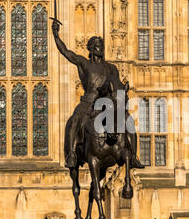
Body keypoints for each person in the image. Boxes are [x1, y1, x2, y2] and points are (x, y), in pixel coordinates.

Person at [52, 19, 143, 169]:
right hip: (88, 102)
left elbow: (117, 85)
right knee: (75, 120)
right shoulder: (85, 64)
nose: (100, 48)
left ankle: (132, 156)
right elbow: (67, 53)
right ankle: (72, 155)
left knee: (129, 122)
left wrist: (122, 95)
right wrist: (56, 35)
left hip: (107, 103)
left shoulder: (111, 68)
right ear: (91, 49)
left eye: (101, 46)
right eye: (97, 46)